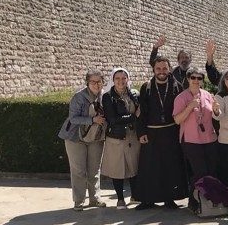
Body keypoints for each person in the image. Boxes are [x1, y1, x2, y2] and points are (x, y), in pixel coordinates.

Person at [135, 57, 189, 210]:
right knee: (149, 167)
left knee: (170, 166)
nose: (161, 72)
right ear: (154, 70)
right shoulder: (147, 87)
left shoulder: (176, 86)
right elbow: (141, 113)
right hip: (151, 133)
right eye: (158, 69)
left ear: (169, 69)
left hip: (171, 131)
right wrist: (141, 132)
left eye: (165, 69)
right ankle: (147, 200)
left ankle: (169, 198)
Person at [58, 70, 107, 211]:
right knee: (78, 170)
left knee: (94, 169)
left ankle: (95, 199)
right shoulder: (78, 97)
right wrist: (92, 120)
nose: (96, 84)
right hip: (75, 138)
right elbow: (73, 118)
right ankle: (79, 201)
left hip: (96, 137)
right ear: (87, 82)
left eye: (99, 81)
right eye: (93, 81)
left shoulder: (104, 97)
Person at [173, 67, 220, 211]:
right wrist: (189, 107)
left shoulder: (207, 95)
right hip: (191, 140)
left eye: (199, 78)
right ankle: (194, 201)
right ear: (188, 79)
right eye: (193, 77)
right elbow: (177, 120)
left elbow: (216, 114)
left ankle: (209, 200)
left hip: (209, 138)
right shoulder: (181, 97)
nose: (196, 81)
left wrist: (217, 110)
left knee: (211, 171)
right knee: (199, 172)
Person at [100, 68, 141, 209]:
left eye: (124, 78)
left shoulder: (133, 94)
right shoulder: (107, 97)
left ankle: (135, 195)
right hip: (116, 138)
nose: (121, 81)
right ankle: (120, 199)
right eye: (117, 78)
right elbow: (113, 120)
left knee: (133, 167)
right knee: (117, 170)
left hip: (132, 137)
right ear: (113, 79)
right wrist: (134, 116)